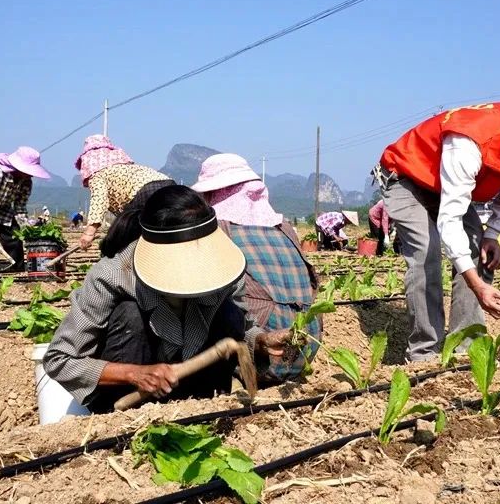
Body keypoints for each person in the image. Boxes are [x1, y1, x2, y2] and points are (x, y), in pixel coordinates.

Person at [43, 185, 292, 413]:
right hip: (129, 404)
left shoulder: (224, 271)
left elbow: (241, 330)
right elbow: (60, 359)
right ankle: (121, 424)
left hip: (196, 395)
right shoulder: (114, 275)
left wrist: (258, 341)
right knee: (130, 315)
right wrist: (135, 374)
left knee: (228, 311)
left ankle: (207, 409)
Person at [373, 100, 500, 360]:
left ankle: (466, 347)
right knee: (426, 253)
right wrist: (478, 287)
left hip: (444, 185)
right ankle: (425, 354)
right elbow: (451, 219)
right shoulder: (469, 141)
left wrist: (492, 235)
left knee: (479, 249)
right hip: (407, 177)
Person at [191, 153, 322, 383]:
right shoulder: (285, 227)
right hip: (307, 345)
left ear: (213, 193)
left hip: (261, 355)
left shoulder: (219, 230)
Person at [74, 134, 174, 250]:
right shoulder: (124, 168)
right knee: (167, 235)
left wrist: (89, 233)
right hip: (170, 186)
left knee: (129, 240)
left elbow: (99, 200)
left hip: (146, 192)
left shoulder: (98, 175)